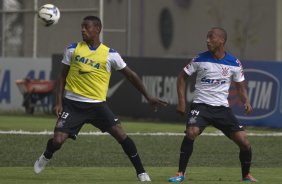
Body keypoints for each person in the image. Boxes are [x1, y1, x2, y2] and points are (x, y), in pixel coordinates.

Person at [33, 15, 167, 182]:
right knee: (58, 141)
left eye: (86, 27)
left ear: (97, 29)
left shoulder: (110, 54)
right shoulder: (72, 49)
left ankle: (141, 172)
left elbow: (131, 76)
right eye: (82, 27)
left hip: (97, 106)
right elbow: (61, 77)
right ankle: (46, 156)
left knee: (121, 134)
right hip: (73, 105)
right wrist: (59, 102)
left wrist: (148, 96)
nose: (82, 30)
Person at [168, 27, 257, 182]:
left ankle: (246, 175)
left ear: (221, 41)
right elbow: (181, 77)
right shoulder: (199, 59)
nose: (207, 40)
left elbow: (240, 86)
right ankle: (180, 174)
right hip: (201, 107)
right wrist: (182, 102)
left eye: (211, 37)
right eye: (207, 37)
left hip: (222, 109)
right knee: (191, 132)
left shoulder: (234, 63)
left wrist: (246, 101)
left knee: (244, 141)